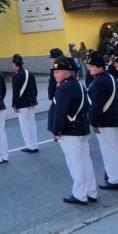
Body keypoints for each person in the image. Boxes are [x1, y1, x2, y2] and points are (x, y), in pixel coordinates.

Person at [49, 57, 97, 205]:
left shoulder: (64, 89)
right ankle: (91, 191)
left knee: (75, 163)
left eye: (57, 72)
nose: (54, 75)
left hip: (70, 131)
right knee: (85, 161)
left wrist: (57, 130)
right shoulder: (78, 85)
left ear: (66, 72)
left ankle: (79, 194)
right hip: (81, 128)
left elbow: (60, 112)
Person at [87, 52, 118, 191]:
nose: (89, 69)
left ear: (99, 67)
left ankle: (114, 179)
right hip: (116, 119)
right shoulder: (111, 78)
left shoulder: (97, 83)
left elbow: (96, 106)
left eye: (91, 66)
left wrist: (94, 123)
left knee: (109, 150)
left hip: (105, 122)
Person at [8, 54, 39, 153]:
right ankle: (35, 144)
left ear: (15, 64)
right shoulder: (30, 73)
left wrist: (14, 104)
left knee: (25, 125)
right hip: (32, 101)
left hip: (22, 103)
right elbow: (35, 89)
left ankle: (30, 145)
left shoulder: (16, 76)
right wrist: (34, 98)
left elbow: (16, 92)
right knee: (32, 123)